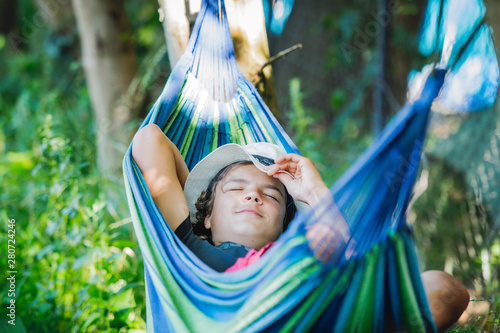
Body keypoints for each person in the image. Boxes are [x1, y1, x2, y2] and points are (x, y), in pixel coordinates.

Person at [132, 123, 469, 331]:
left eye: (271, 195)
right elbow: (149, 140)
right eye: (236, 188)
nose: (253, 196)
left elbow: (353, 270)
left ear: (283, 226)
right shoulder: (190, 252)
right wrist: (195, 208)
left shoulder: (298, 251)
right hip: (232, 315)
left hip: (311, 313)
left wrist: (312, 191)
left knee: (445, 289)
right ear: (205, 217)